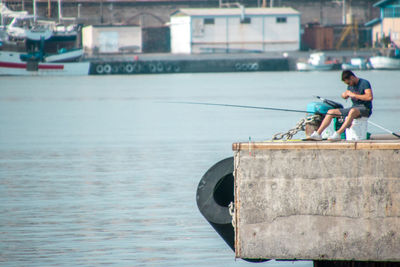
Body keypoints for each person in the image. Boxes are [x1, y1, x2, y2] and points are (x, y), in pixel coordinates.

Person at [309, 70, 373, 141]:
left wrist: (354, 95)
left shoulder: (364, 83)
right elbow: (347, 95)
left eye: (348, 82)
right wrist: (344, 95)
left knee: (352, 111)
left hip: (365, 109)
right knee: (331, 112)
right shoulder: (350, 86)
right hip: (354, 107)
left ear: (352, 77)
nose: (349, 85)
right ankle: (318, 134)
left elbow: (369, 97)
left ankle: (338, 134)